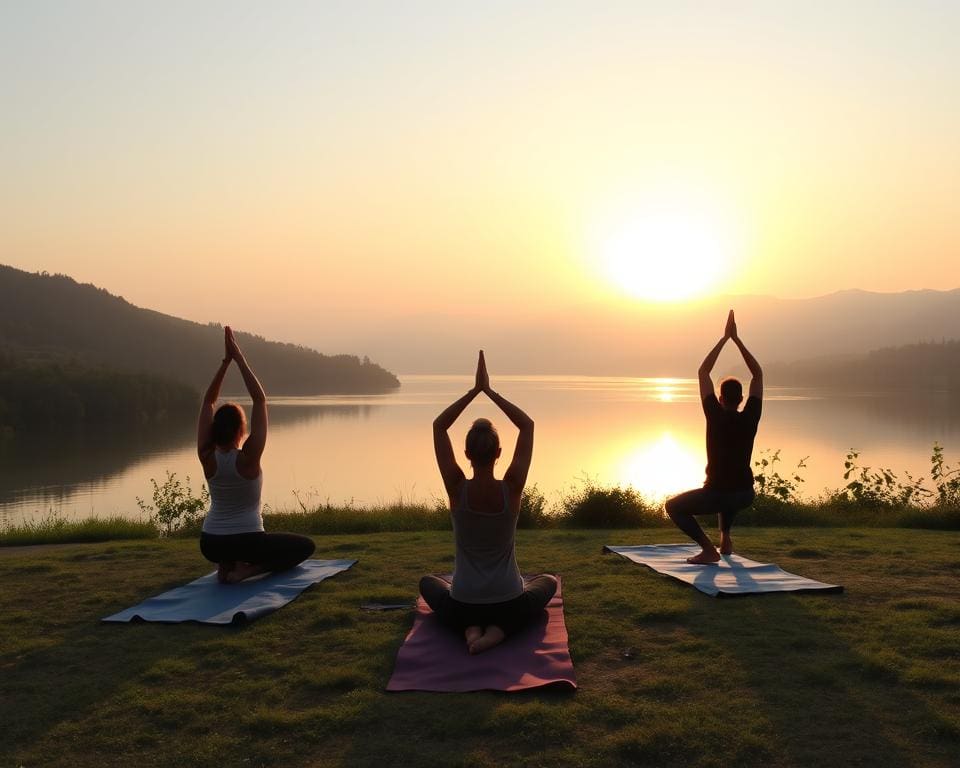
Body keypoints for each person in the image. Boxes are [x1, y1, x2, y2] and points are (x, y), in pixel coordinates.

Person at [419, 351, 558, 654]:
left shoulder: (457, 489)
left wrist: (474, 392)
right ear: (498, 453)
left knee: (429, 583)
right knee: (547, 581)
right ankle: (498, 630)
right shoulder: (512, 489)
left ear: (466, 455)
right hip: (508, 599)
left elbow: (439, 426)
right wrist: (490, 392)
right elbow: (527, 426)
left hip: (464, 600)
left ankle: (469, 628)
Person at [197, 326, 315, 583]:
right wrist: (239, 359)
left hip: (210, 544)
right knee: (304, 547)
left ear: (215, 430)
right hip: (248, 541)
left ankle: (226, 565)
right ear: (241, 430)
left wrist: (224, 364)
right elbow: (260, 400)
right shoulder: (248, 457)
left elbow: (207, 403)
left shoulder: (206, 456)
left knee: (230, 547)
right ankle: (247, 571)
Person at [665, 310, 763, 564]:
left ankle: (709, 550)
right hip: (745, 494)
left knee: (673, 507)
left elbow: (703, 372)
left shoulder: (714, 415)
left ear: (720, 399)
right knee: (727, 494)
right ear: (742, 399)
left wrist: (723, 339)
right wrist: (737, 341)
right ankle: (725, 539)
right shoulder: (751, 416)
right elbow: (758, 375)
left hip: (720, 493)